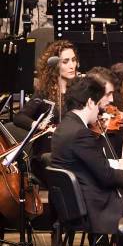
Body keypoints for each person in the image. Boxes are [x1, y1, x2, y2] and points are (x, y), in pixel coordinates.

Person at [50, 76, 123, 246]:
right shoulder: (80, 133)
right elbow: (106, 177)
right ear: (89, 102)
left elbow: (90, 166)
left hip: (76, 205)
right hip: (95, 208)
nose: (100, 112)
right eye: (98, 106)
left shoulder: (65, 127)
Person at [14, 40, 79, 185]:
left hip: (72, 153)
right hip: (47, 156)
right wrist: (37, 125)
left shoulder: (78, 91)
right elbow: (19, 117)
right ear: (55, 66)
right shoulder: (44, 93)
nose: (72, 65)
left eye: (74, 60)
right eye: (66, 61)